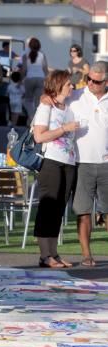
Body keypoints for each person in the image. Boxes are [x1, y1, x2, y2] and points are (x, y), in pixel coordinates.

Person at [33, 69, 81, 269]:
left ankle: (54, 253)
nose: (73, 86)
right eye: (69, 83)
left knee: (59, 209)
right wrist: (64, 129)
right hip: (51, 161)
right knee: (48, 207)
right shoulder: (46, 106)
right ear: (59, 84)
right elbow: (39, 136)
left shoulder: (68, 106)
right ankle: (45, 256)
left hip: (68, 162)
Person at [69, 61, 108, 265]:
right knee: (83, 212)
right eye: (89, 79)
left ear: (106, 81)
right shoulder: (76, 96)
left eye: (96, 81)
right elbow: (53, 98)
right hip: (81, 162)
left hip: (106, 164)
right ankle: (86, 255)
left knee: (107, 213)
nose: (91, 83)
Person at [21, 37, 48, 123]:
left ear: (29, 46)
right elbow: (45, 69)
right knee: (38, 101)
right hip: (41, 78)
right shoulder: (42, 55)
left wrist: (20, 79)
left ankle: (31, 115)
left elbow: (24, 69)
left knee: (28, 100)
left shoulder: (26, 55)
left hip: (30, 78)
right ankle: (37, 121)